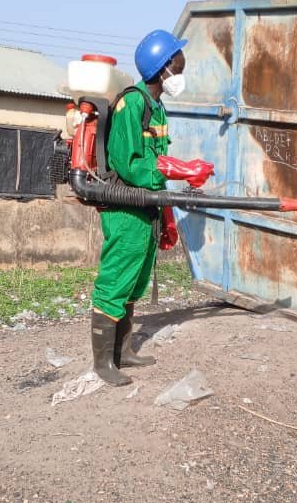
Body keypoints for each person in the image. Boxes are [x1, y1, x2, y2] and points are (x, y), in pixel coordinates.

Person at [90, 29, 214, 386]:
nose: (182, 70)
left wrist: (168, 213)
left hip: (147, 208)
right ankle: (102, 364)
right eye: (179, 64)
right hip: (126, 209)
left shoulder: (157, 107)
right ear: (163, 68)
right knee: (116, 281)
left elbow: (156, 165)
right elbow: (130, 165)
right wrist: (181, 168)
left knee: (135, 283)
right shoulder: (133, 104)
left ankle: (123, 352)